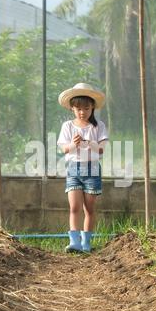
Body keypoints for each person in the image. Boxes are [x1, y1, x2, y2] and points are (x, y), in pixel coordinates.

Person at [57, 83, 108, 253]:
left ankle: (86, 242)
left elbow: (101, 149)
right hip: (73, 168)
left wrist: (88, 143)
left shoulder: (98, 126)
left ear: (92, 107)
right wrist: (73, 144)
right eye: (78, 108)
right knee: (74, 207)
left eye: (86, 108)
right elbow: (64, 149)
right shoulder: (68, 127)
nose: (82, 112)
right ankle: (75, 242)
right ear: (72, 108)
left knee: (89, 208)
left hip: (92, 169)